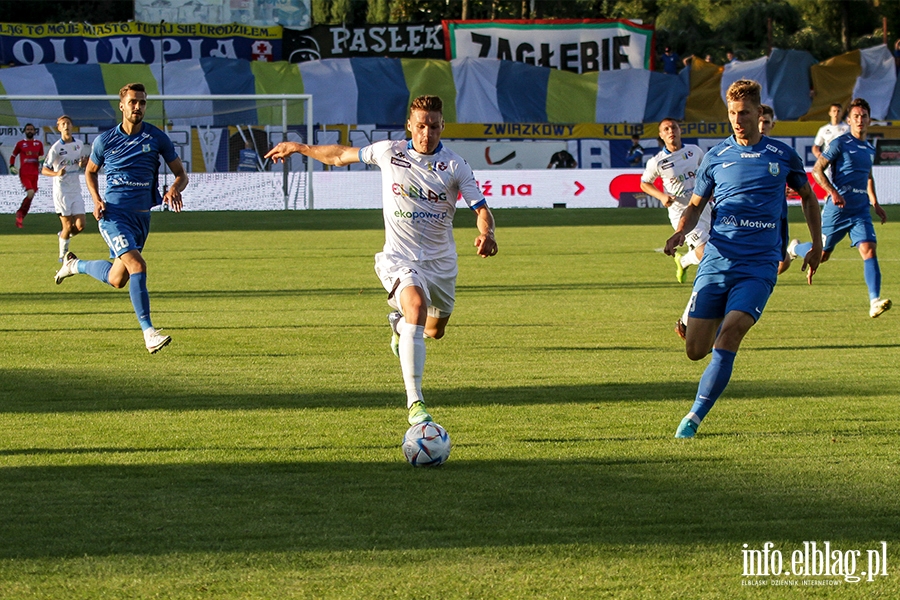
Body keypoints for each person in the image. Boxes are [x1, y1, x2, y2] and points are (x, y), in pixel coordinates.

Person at [265, 95, 498, 427]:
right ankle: (415, 404)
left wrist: (487, 233)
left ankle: (398, 326)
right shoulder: (390, 152)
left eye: (433, 126)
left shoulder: (455, 166)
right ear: (409, 125)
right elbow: (340, 156)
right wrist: (300, 148)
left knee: (434, 331)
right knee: (416, 307)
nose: (426, 133)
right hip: (400, 258)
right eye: (420, 126)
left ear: (442, 126)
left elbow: (482, 209)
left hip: (441, 263)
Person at [664, 79, 822, 439]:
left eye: (744, 113)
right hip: (717, 261)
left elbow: (809, 198)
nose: (738, 119)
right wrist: (680, 232)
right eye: (733, 113)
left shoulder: (781, 156)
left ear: (758, 113)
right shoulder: (716, 157)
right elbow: (694, 205)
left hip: (760, 263)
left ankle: (693, 418)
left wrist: (817, 245)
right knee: (694, 350)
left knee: (732, 332)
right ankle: (717, 320)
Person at [54, 82, 188, 354]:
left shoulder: (156, 138)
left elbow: (181, 174)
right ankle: (149, 332)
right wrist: (96, 200)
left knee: (118, 279)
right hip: (113, 216)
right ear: (122, 106)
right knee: (137, 266)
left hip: (142, 219)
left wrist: (174, 187)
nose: (137, 106)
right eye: (133, 102)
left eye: (142, 102)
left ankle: (74, 265)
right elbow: (90, 171)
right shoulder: (106, 140)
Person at [790, 98, 890, 318]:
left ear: (869, 119)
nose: (860, 120)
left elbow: (869, 176)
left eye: (864, 116)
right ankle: (795, 248)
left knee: (869, 249)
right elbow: (817, 170)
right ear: (849, 120)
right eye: (856, 116)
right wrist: (832, 192)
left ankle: (874, 301)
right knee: (821, 254)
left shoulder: (869, 148)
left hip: (860, 209)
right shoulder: (839, 143)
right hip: (838, 209)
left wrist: (875, 202)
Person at [640, 117, 709, 287]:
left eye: (674, 128)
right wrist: (662, 197)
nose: (671, 131)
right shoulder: (657, 162)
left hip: (703, 206)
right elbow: (644, 183)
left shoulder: (695, 151)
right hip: (681, 212)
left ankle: (684, 261)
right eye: (666, 129)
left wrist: (711, 190)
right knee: (707, 252)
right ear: (661, 135)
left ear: (680, 131)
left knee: (721, 246)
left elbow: (706, 172)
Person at [42, 115, 88, 262]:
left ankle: (63, 235)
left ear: (72, 126)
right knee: (68, 226)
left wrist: (82, 164)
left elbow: (81, 164)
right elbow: (44, 169)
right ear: (59, 128)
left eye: (68, 123)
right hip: (62, 192)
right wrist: (56, 173)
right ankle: (63, 255)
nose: (66, 126)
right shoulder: (56, 148)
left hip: (76, 190)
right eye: (63, 124)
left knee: (81, 225)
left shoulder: (79, 144)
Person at [9, 123, 44, 228]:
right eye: (28, 129)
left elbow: (41, 157)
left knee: (31, 195)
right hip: (24, 173)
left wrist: (42, 163)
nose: (29, 131)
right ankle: (20, 213)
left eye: (31, 129)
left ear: (34, 131)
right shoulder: (20, 144)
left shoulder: (39, 144)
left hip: (35, 173)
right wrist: (11, 165)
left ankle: (21, 216)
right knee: (30, 193)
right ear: (25, 131)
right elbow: (13, 155)